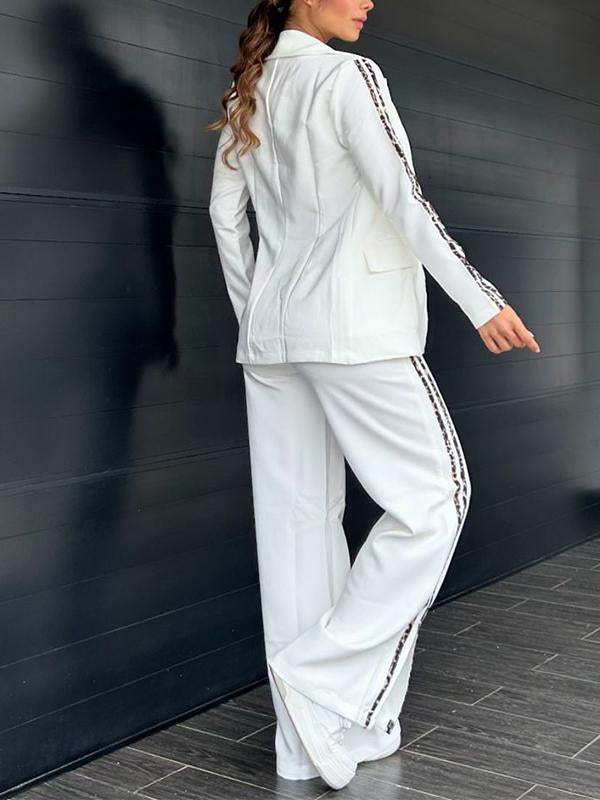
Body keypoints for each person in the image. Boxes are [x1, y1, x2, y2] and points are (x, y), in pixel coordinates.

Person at [207, 0, 540, 790]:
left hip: (275, 337)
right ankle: (321, 678)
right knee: (436, 500)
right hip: (357, 329)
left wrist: (260, 314)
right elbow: (401, 196)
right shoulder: (348, 76)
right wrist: (481, 300)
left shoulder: (249, 88)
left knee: (296, 528)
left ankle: (311, 742)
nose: (368, 1)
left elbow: (225, 217)